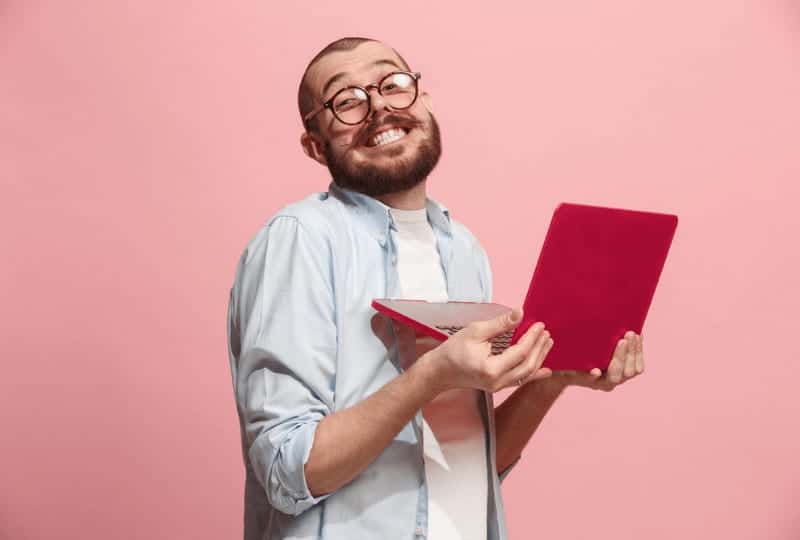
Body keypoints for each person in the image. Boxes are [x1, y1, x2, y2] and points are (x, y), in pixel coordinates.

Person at [226, 37, 645, 540]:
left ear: (423, 99)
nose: (379, 106)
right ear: (315, 145)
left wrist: (549, 381)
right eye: (347, 100)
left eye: (393, 84)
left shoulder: (463, 248)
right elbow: (285, 469)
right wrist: (432, 376)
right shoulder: (300, 239)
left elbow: (464, 463)